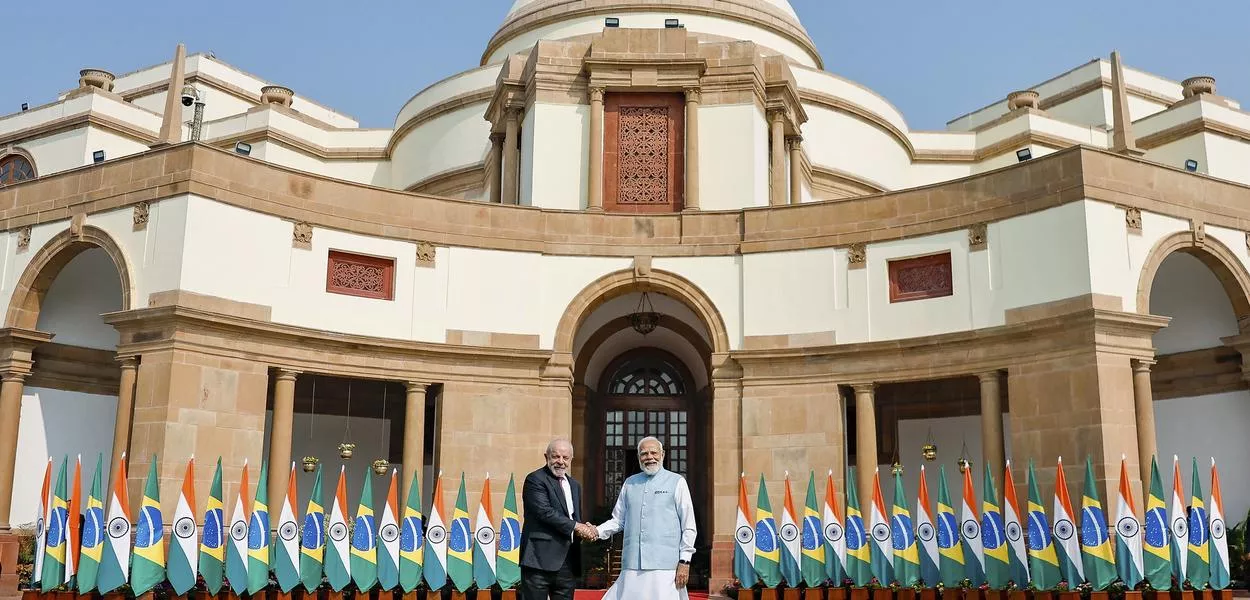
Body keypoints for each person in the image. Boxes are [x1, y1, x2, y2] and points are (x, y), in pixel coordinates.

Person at [586, 436, 697, 600]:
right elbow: (618, 520)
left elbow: (688, 525)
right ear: (639, 457)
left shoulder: (677, 482)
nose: (649, 457)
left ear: (663, 454)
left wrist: (685, 561)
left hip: (665, 567)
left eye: (654, 452)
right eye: (644, 454)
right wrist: (596, 531)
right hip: (632, 565)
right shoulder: (630, 483)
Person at [520, 438, 596, 600]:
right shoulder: (535, 479)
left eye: (565, 458)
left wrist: (585, 528)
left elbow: (574, 517)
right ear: (546, 457)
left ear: (571, 460)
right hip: (539, 561)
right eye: (556, 457)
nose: (560, 462)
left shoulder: (575, 485)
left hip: (567, 562)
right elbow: (544, 512)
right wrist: (578, 526)